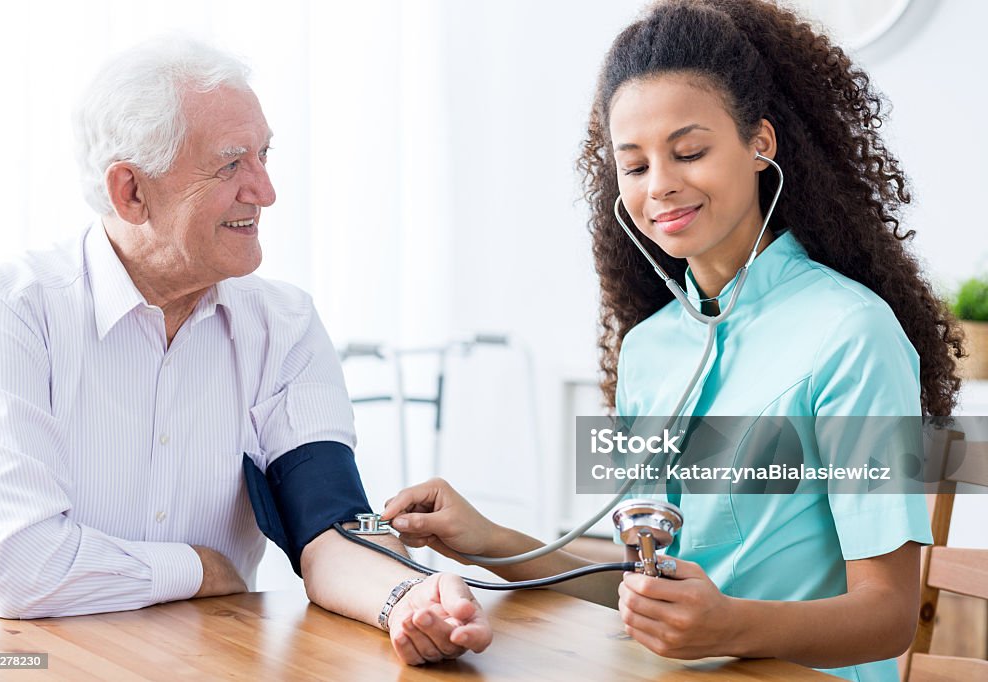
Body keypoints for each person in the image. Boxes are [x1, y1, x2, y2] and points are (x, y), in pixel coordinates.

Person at [382, 1, 963, 679]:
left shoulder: (851, 334)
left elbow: (887, 613)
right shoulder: (650, 349)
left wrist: (732, 624)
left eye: (689, 151)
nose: (660, 185)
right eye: (633, 166)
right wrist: (489, 542)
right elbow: (646, 591)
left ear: (760, 144)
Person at [0, 38, 491, 666]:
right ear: (131, 190)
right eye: (231, 165)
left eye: (264, 155)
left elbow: (335, 522)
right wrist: (196, 568)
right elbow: (20, 567)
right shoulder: (8, 311)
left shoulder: (284, 325)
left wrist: (407, 596)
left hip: (203, 663)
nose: (265, 191)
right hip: (20, 663)